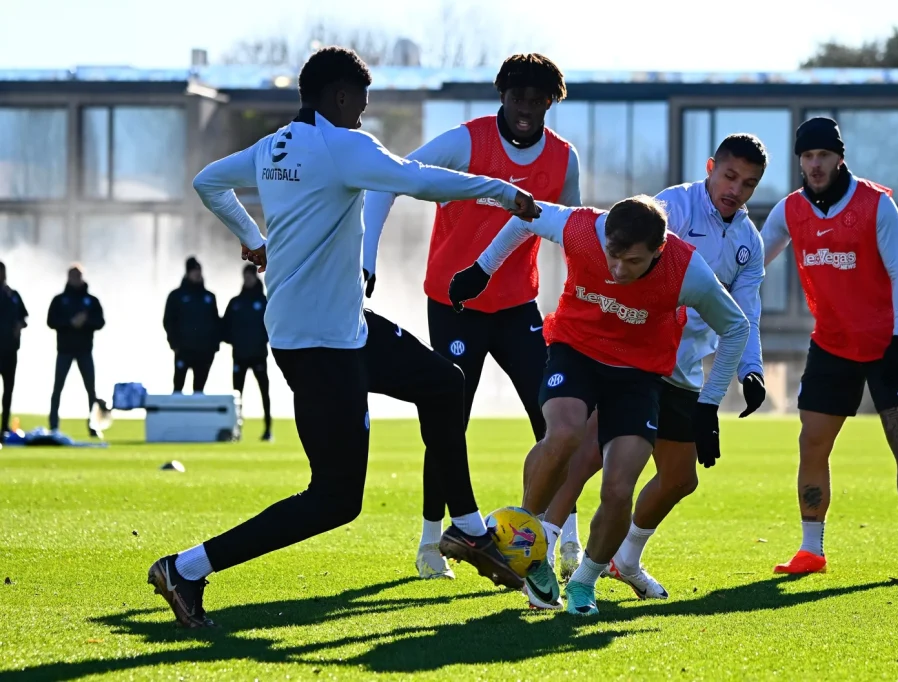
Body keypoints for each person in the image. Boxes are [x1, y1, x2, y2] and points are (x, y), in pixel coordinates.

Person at [147, 46, 541, 629]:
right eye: (361, 99)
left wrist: (253, 239)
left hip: (339, 328)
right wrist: (504, 192)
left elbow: (209, 183)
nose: (364, 111)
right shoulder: (343, 145)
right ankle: (186, 568)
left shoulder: (274, 145)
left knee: (443, 383)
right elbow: (417, 181)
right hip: (318, 346)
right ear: (338, 96)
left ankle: (469, 528)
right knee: (335, 500)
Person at [449, 195, 750, 616]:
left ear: (659, 251)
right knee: (566, 433)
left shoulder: (687, 270)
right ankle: (530, 551)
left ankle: (585, 582)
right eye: (614, 255)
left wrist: (707, 405)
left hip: (639, 375)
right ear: (605, 237)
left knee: (618, 485)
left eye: (634, 261)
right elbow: (525, 216)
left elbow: (736, 327)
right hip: (576, 351)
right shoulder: (580, 227)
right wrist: (481, 269)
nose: (619, 270)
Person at [362, 53, 587, 580]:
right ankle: (428, 541)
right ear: (502, 95)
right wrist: (366, 262)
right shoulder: (466, 142)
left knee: (555, 419)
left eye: (540, 101)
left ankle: (565, 537)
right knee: (448, 418)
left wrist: (584, 304)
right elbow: (386, 182)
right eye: (519, 99)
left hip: (518, 308)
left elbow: (570, 231)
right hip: (455, 306)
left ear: (551, 103)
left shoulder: (563, 159)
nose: (528, 111)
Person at [542, 133, 769, 596]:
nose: (735, 189)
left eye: (748, 184)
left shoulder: (749, 241)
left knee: (680, 479)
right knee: (586, 456)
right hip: (633, 354)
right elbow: (623, 267)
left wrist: (752, 369)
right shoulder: (672, 208)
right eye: (729, 176)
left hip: (683, 369)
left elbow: (744, 315)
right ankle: (541, 551)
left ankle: (624, 559)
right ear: (710, 167)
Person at [759, 117, 898, 577]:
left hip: (885, 343)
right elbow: (753, 262)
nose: (815, 165)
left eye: (823, 156)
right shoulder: (789, 211)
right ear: (800, 160)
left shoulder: (877, 204)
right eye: (807, 157)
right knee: (812, 443)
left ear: (839, 158)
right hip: (831, 345)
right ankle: (811, 550)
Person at [47, 264, 105, 436]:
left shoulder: (91, 300)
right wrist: (70, 323)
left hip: (85, 350)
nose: (76, 279)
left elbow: (100, 321)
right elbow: (51, 321)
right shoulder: (60, 300)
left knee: (91, 390)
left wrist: (85, 323)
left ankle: (93, 425)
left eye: (78, 276)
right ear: (68, 277)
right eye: (73, 276)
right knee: (58, 388)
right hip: (64, 350)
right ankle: (53, 424)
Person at [222, 264, 272, 441]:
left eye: (251, 276)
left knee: (264, 393)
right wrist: (233, 340)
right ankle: (236, 430)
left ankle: (268, 429)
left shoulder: (265, 301)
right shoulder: (236, 303)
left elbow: (272, 327)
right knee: (237, 395)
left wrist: (261, 342)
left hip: (259, 355)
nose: (248, 279)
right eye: (246, 276)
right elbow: (225, 326)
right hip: (239, 356)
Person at [163, 257, 221, 394]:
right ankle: (176, 415)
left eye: (198, 270)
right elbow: (168, 321)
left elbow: (216, 323)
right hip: (183, 350)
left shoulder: (209, 297)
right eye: (194, 271)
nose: (197, 274)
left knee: (199, 391)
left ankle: (196, 416)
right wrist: (174, 344)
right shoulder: (176, 296)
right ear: (187, 273)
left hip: (204, 352)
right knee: (178, 388)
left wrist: (214, 347)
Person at [0, 262, 28, 439]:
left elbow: (24, 316)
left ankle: (4, 426)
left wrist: (19, 325)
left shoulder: (13, 295)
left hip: (10, 350)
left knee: (8, 391)